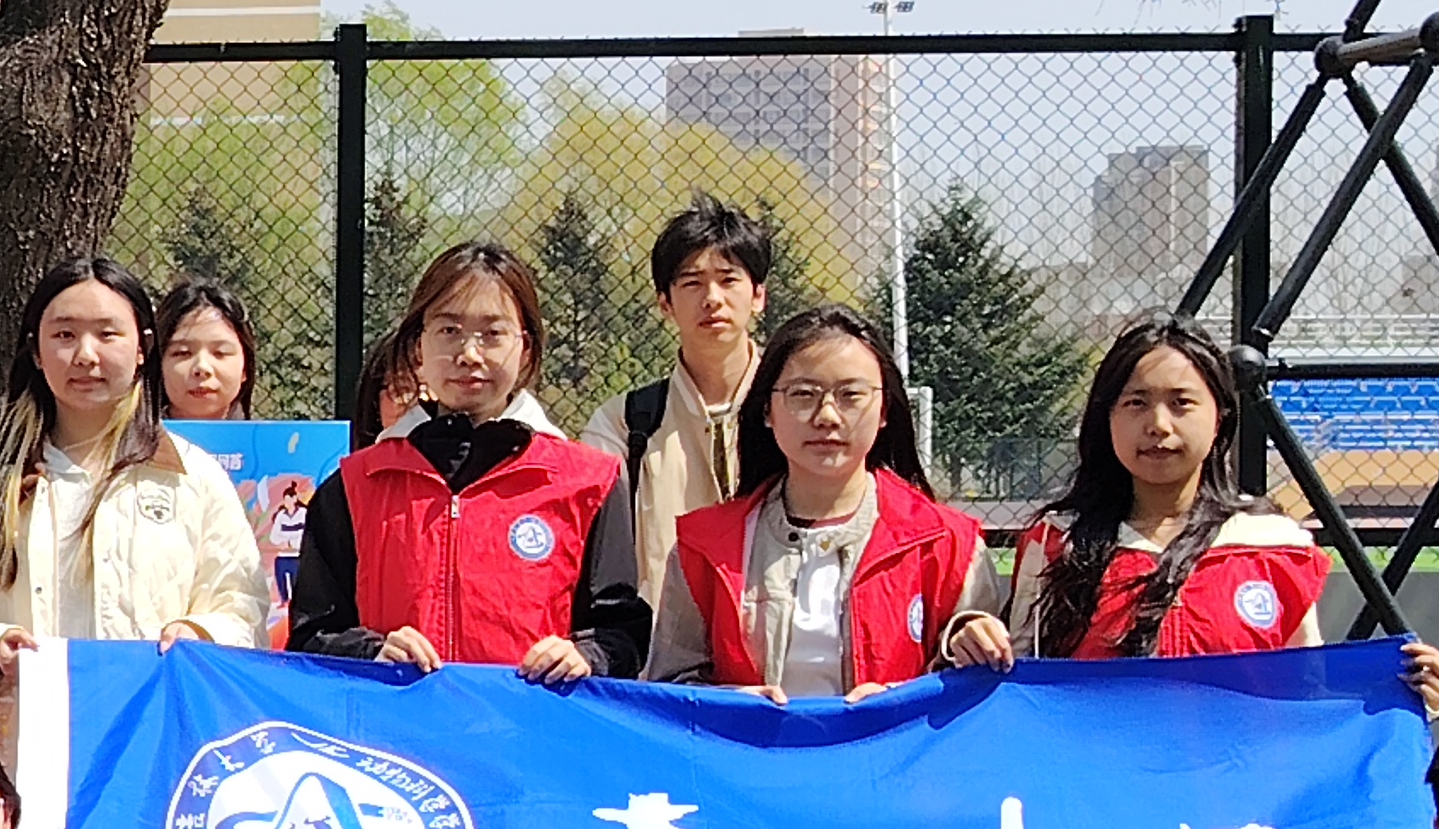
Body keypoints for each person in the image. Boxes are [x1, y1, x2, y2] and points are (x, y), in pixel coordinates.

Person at [1001, 316, 1439, 713]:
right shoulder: (1057, 542)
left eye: (1181, 403)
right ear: (1108, 418)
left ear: (1219, 415)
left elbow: (1307, 696)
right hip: (1103, 786)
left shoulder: (1274, 546)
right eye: (1136, 403)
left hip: (1236, 789)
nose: (1158, 424)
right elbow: (1014, 693)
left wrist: (1418, 697)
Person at [0, 257, 268, 729]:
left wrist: (198, 636)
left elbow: (242, 607)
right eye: (64, 335)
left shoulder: (192, 478)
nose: (86, 355)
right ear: (36, 351)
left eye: (107, 334)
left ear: (142, 348)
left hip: (153, 742)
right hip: (22, 748)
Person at [289, 243, 643, 681]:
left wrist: (586, 654)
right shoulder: (354, 485)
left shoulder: (590, 483)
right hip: (393, 722)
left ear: (525, 348)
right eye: (449, 330)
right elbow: (311, 634)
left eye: (492, 334)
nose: (469, 354)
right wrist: (369, 652)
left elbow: (622, 634)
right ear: (418, 347)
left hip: (530, 722)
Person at [647, 301, 1006, 694]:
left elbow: (978, 699)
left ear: (884, 409)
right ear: (767, 409)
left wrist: (900, 698)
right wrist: (735, 706)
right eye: (803, 394)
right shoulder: (704, 549)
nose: (828, 416)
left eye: (851, 395)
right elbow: (670, 691)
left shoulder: (947, 545)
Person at [579, 197, 770, 609]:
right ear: (664, 302)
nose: (712, 298)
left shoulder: (798, 414)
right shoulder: (622, 425)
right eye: (692, 283)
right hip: (658, 645)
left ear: (758, 295)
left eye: (728, 280)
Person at [156, 281, 259, 422]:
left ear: (245, 368)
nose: (202, 367)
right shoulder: (128, 436)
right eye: (183, 353)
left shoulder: (271, 436)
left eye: (220, 353)